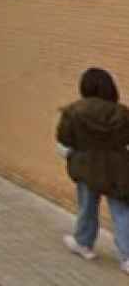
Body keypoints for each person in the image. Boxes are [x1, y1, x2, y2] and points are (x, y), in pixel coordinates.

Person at [58, 67, 129, 273]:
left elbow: (64, 139)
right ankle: (127, 257)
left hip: (85, 166)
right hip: (118, 169)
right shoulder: (123, 113)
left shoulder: (73, 112)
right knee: (122, 212)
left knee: (87, 207)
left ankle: (84, 244)